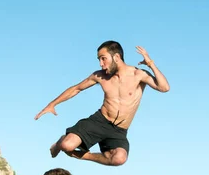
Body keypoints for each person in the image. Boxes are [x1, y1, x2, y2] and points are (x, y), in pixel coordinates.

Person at [34, 41, 170, 166]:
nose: (101, 63)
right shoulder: (100, 76)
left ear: (116, 57)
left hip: (119, 130)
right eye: (99, 59)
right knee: (67, 145)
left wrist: (150, 64)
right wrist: (52, 104)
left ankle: (83, 155)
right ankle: (60, 143)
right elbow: (77, 88)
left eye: (103, 58)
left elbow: (164, 88)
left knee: (119, 159)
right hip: (99, 121)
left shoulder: (138, 74)